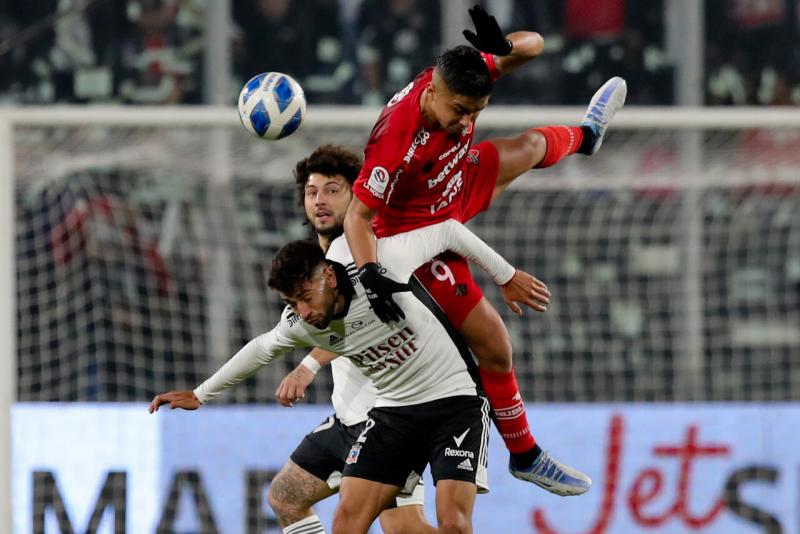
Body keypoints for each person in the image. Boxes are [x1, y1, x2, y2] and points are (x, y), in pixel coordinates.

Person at [344, 4, 626, 493]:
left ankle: (588, 136)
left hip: (457, 179)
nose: (466, 120)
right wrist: (370, 274)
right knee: (495, 344)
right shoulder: (396, 142)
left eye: (476, 112)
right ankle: (525, 455)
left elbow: (536, 44)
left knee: (530, 146)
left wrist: (503, 50)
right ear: (431, 92)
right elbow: (358, 217)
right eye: (459, 111)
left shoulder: (460, 77)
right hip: (421, 235)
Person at [151, 208, 534, 533]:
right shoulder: (303, 322)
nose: (303, 312)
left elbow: (448, 230)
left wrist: (506, 275)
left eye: (305, 297)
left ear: (329, 277)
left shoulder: (380, 263)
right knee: (346, 522)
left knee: (452, 523)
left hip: (454, 401)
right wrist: (201, 394)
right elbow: (263, 347)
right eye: (291, 302)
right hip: (394, 413)